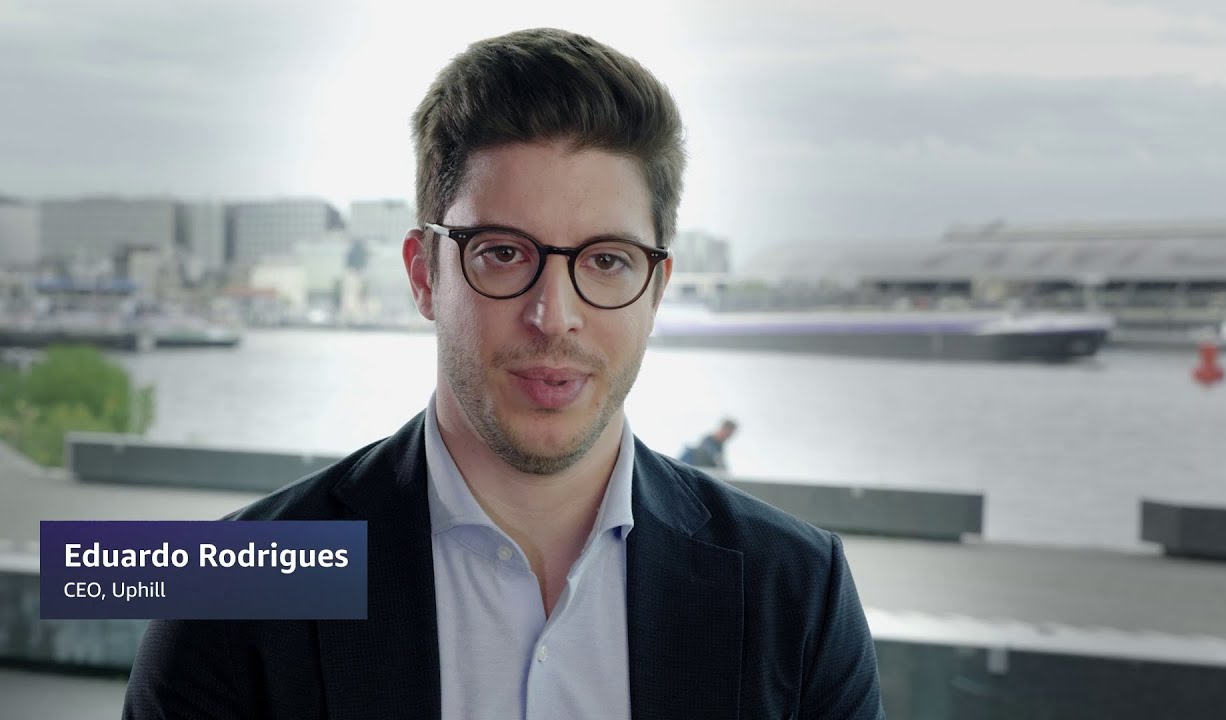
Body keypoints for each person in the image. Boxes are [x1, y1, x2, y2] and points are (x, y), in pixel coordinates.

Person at [123, 28, 884, 719]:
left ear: (656, 288)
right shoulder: (233, 591)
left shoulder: (796, 593)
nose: (554, 317)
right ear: (425, 276)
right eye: (503, 253)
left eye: (607, 260)